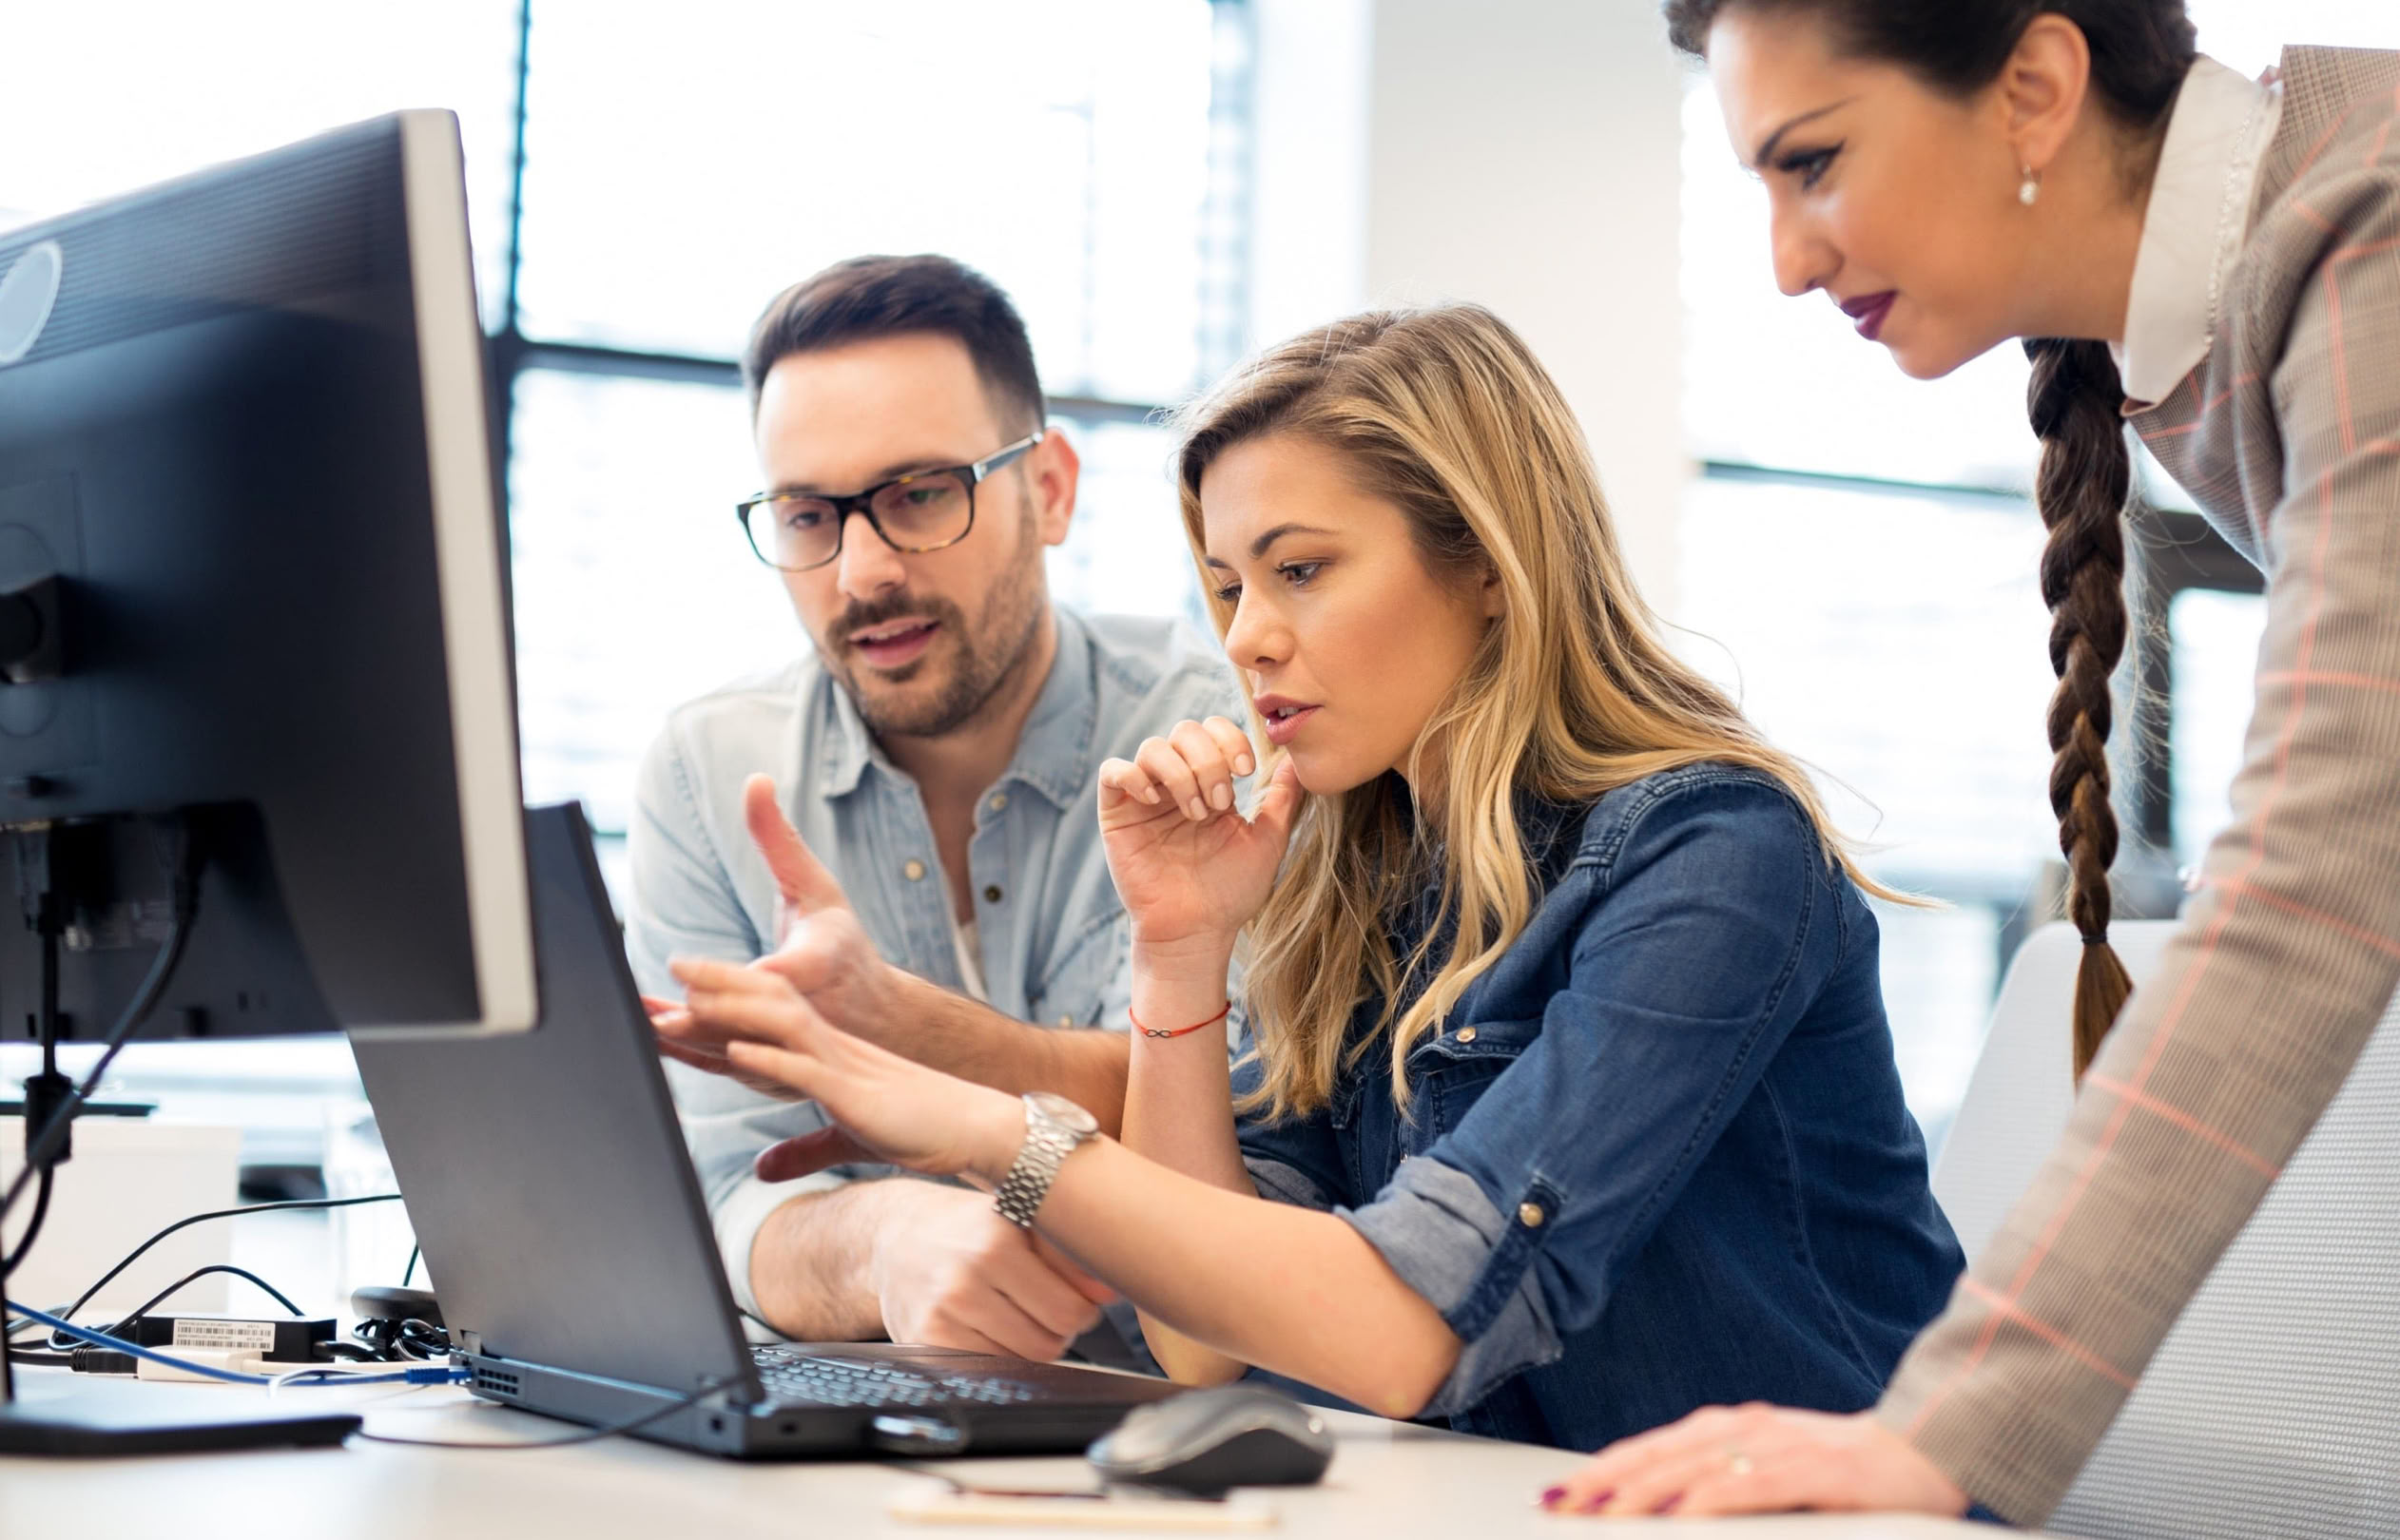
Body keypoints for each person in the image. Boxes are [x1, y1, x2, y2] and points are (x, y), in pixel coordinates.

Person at [659, 303, 1964, 1452]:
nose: (1245, 635)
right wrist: (1181, 952)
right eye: (1226, 585)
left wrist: (998, 1131)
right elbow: (1198, 1341)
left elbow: (1406, 1327)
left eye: (1299, 570)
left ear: (1488, 568)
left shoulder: (1718, 854)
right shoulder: (1371, 881)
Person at [1548, 4, 2400, 1524]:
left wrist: (1944, 1434)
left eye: (1812, 164)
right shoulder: (2232, 311)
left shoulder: (2371, 233)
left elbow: (2322, 882)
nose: (1786, 260)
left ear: (2034, 87)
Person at [628, 253, 1241, 1363]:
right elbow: (712, 1200)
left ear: (1047, 489)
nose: (862, 573)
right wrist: (880, 1240)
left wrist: (890, 1026)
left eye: (918, 496)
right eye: (808, 516)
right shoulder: (704, 772)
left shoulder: (1212, 743)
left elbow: (1212, 1118)